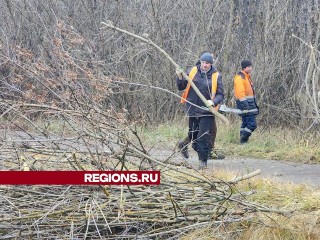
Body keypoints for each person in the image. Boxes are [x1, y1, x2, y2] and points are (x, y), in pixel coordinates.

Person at [176, 52, 224, 169]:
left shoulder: (216, 76)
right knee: (193, 136)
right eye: (203, 62)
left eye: (207, 63)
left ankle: (203, 162)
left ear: (211, 64)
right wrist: (180, 77)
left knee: (203, 137)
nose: (205, 65)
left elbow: (220, 94)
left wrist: (213, 102)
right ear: (200, 62)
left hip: (207, 111)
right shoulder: (192, 71)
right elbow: (181, 87)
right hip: (193, 109)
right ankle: (185, 145)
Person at [233, 60, 259, 144]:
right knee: (252, 124)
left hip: (249, 104)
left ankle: (242, 141)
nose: (251, 68)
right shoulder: (241, 78)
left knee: (245, 123)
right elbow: (241, 93)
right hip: (246, 105)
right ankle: (243, 140)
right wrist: (245, 106)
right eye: (249, 67)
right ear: (244, 68)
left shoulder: (247, 77)